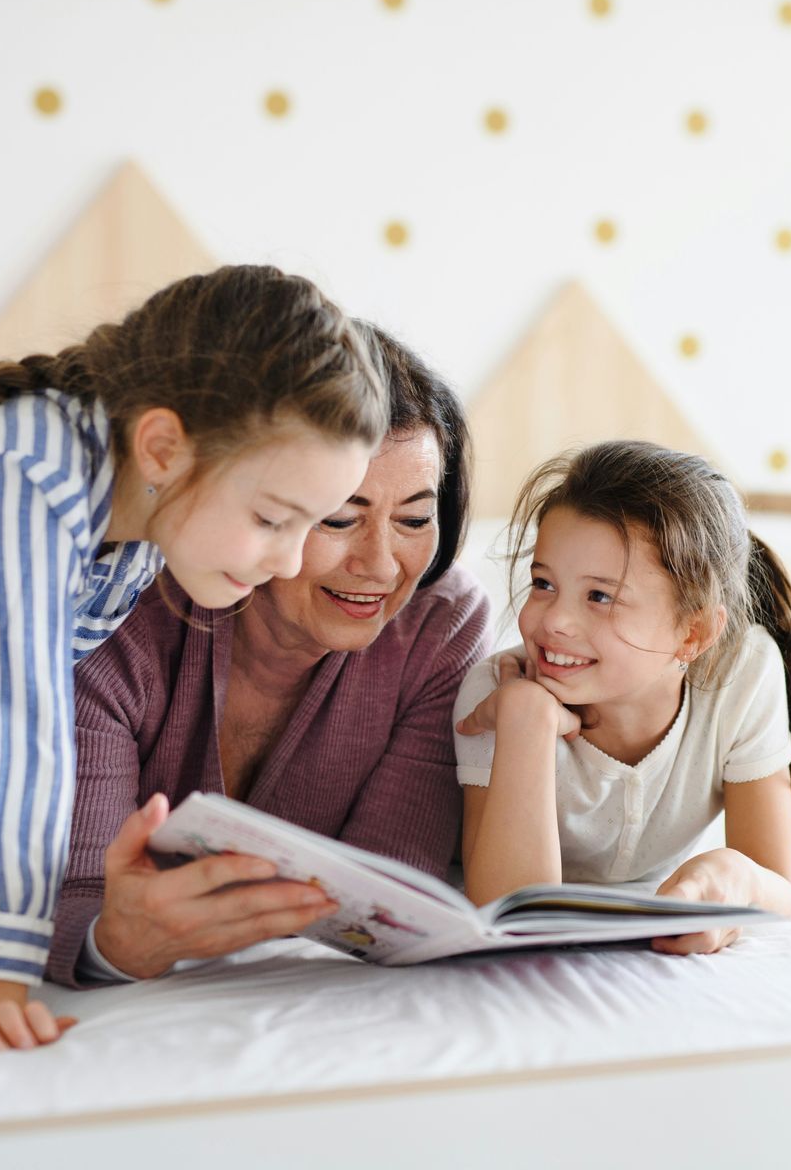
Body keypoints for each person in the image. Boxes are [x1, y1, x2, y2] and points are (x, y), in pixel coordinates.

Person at [0, 265, 386, 1049]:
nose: (291, 563)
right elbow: (12, 742)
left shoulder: (134, 538)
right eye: (271, 518)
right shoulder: (25, 467)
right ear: (162, 446)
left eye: (310, 525)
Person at [48, 326, 490, 988]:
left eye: (415, 520)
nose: (379, 565)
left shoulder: (440, 626)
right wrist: (114, 943)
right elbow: (67, 896)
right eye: (340, 519)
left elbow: (388, 898)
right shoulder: (124, 610)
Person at [452, 440, 791, 953]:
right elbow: (510, 917)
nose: (554, 620)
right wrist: (526, 721)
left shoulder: (739, 675)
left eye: (600, 596)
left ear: (694, 634)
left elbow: (780, 893)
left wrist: (732, 876)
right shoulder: (498, 693)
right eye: (543, 583)